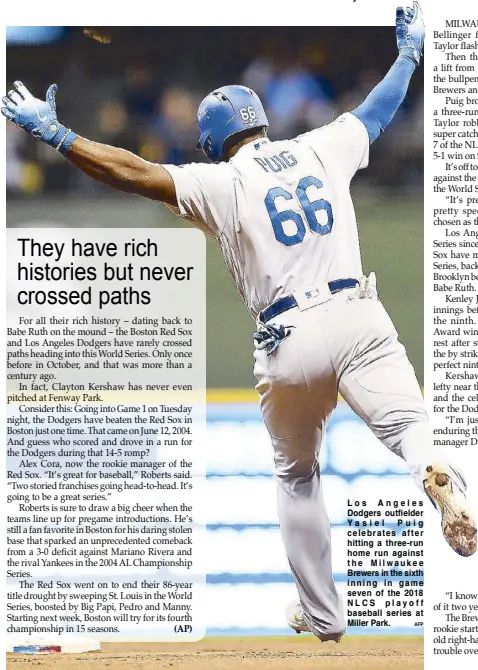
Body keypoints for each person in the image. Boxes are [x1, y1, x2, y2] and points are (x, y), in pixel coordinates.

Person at [3, 3, 476, 642]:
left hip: (288, 339)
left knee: (297, 475)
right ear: (261, 121)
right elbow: (377, 111)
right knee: (414, 428)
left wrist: (61, 137)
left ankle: (326, 618)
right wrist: (410, 55)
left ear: (212, 141)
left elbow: (134, 172)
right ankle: (435, 475)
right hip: (358, 315)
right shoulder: (320, 147)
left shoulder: (221, 182)